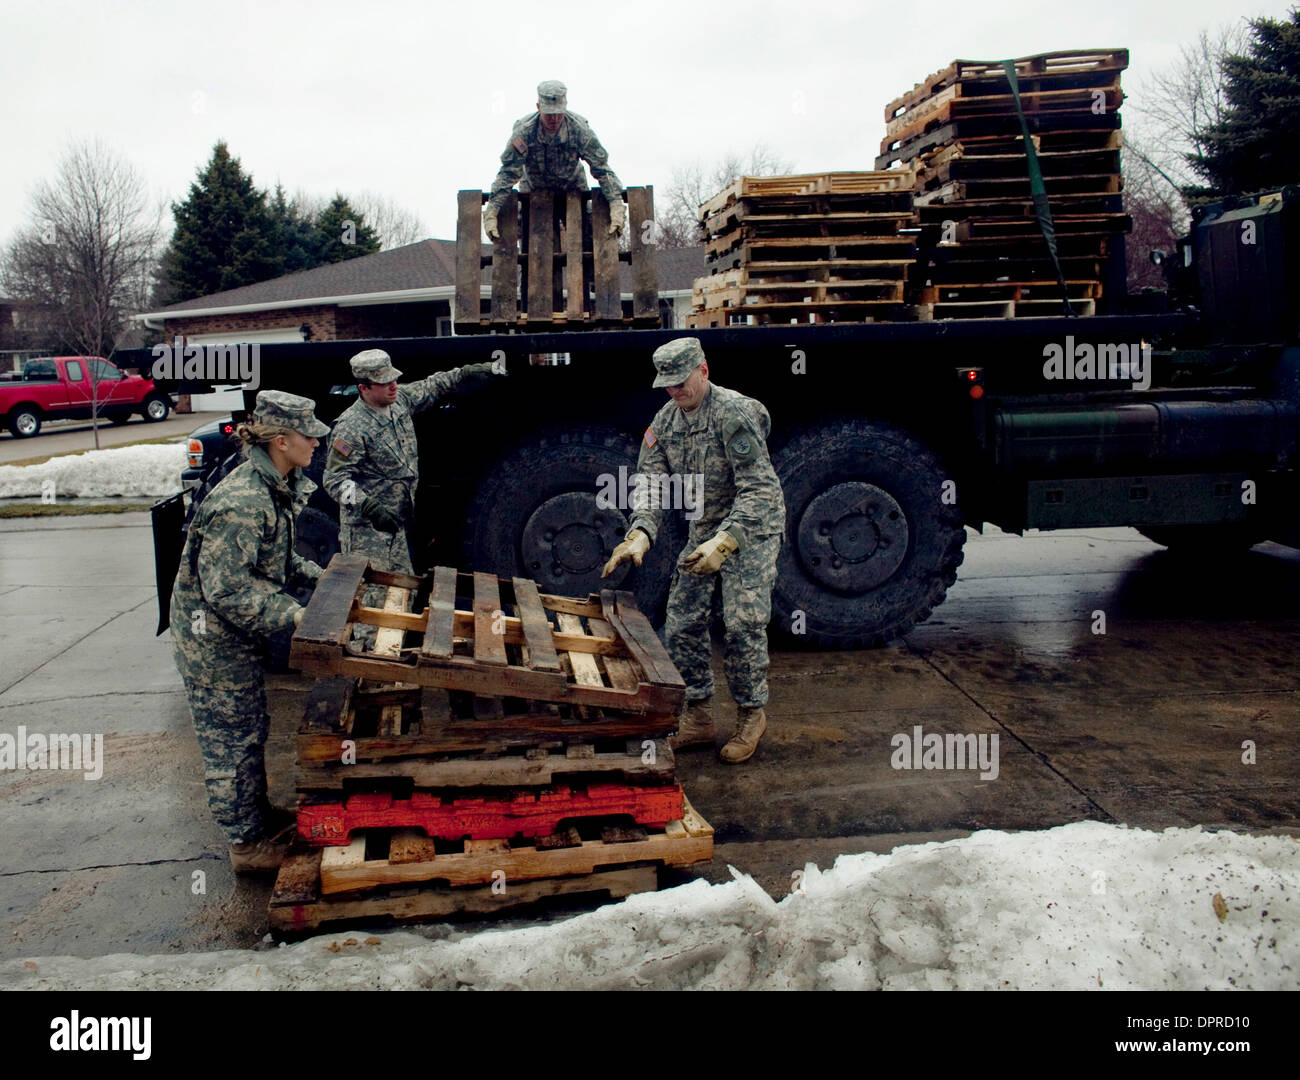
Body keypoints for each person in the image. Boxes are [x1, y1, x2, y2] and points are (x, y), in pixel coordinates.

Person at [602, 338, 785, 764]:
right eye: (666, 385)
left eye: (681, 382)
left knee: (742, 624)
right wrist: (641, 533)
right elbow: (650, 482)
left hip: (750, 527)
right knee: (682, 621)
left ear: (703, 370)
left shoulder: (733, 413)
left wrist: (726, 541)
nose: (674, 391)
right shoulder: (665, 422)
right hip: (704, 526)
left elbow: (761, 491)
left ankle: (751, 715)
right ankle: (699, 716)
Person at [170, 390, 330, 872]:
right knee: (230, 743)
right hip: (212, 644)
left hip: (234, 636)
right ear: (281, 441)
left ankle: (257, 819)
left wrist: (318, 579)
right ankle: (245, 846)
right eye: (309, 436)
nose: (317, 444)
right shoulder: (241, 502)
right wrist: (295, 614)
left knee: (251, 727)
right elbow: (228, 591)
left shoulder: (273, 484)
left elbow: (275, 558)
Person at [322, 349, 497, 645]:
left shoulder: (398, 401)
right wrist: (367, 505)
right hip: (369, 532)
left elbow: (432, 386)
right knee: (374, 601)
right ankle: (368, 661)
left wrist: (465, 372)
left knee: (401, 592)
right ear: (363, 388)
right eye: (384, 382)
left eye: (393, 379)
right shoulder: (351, 428)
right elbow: (335, 479)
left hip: (396, 525)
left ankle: (388, 653)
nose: (393, 385)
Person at [484, 79, 626, 240]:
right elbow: (508, 173)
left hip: (573, 189)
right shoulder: (524, 132)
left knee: (584, 242)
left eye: (559, 113)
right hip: (535, 190)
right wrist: (492, 210)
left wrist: (616, 203)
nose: (555, 119)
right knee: (533, 248)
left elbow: (602, 169)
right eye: (549, 114)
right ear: (538, 108)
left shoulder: (579, 130)